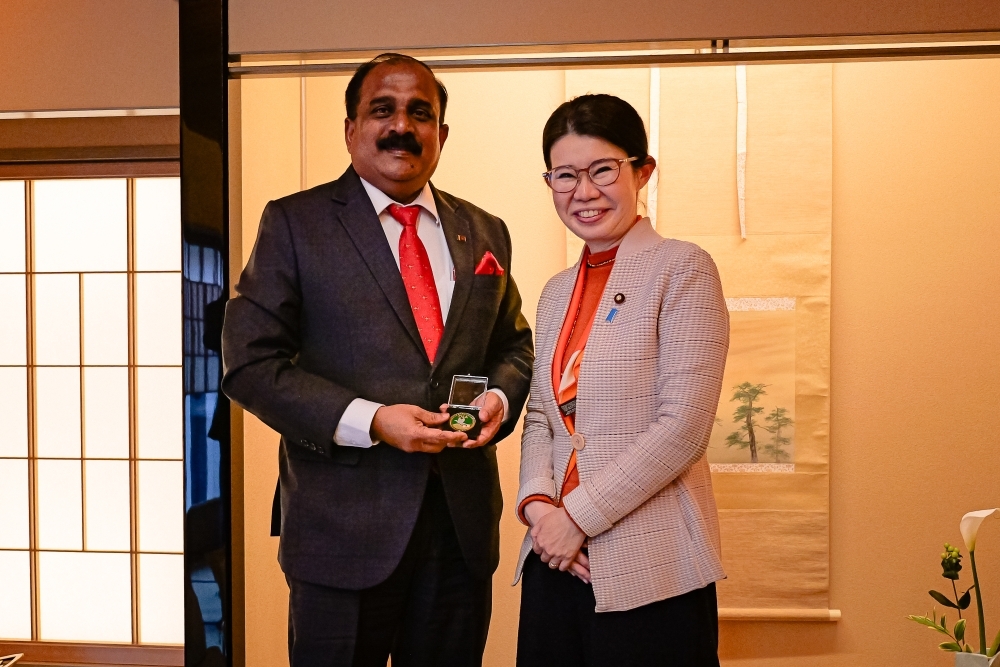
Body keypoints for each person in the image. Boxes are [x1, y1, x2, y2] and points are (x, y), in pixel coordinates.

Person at [222, 53, 533, 667]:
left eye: (420, 113)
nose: (401, 127)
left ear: (441, 133)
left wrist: (499, 396)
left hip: (459, 532)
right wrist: (371, 420)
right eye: (382, 110)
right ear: (351, 129)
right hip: (340, 534)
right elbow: (249, 363)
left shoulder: (485, 230)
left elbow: (515, 345)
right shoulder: (295, 223)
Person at [514, 94, 728, 666]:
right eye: (565, 175)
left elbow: (683, 427)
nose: (583, 192)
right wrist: (539, 509)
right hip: (554, 558)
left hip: (651, 565)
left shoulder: (683, 268)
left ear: (642, 171)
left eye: (602, 170)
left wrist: (577, 518)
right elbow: (541, 417)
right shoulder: (556, 290)